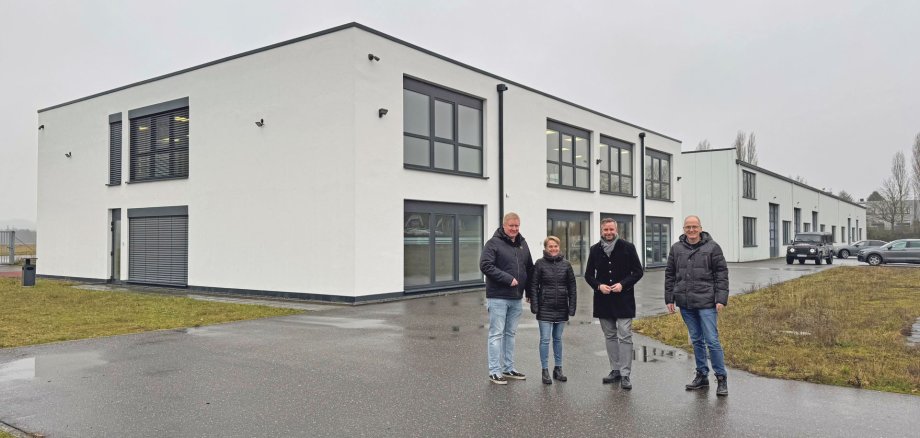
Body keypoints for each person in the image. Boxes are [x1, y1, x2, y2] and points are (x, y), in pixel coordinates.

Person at [665, 215, 729, 396]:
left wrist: (720, 298)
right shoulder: (676, 248)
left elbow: (721, 274)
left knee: (712, 340)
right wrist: (669, 298)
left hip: (707, 302)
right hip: (686, 302)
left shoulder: (713, 248)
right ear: (684, 229)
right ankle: (702, 375)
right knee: (696, 340)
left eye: (694, 227)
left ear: (700, 228)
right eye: (688, 227)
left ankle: (721, 378)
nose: (691, 230)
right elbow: (670, 274)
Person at [584, 218, 644, 390]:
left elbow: (638, 271)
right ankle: (615, 370)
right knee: (610, 336)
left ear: (616, 230)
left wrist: (623, 284)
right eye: (605, 230)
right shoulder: (594, 250)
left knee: (625, 335)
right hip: (603, 300)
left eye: (611, 229)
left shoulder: (628, 247)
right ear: (601, 230)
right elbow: (588, 275)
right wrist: (598, 286)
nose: (608, 232)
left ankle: (625, 374)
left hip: (623, 299)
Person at [480, 212, 534, 385]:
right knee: (496, 334)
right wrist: (507, 278)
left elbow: (529, 269)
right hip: (498, 298)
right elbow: (485, 265)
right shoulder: (493, 243)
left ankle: (508, 368)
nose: (514, 229)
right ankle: (494, 371)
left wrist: (529, 292)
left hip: (516, 298)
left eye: (517, 226)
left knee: (510, 334)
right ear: (504, 225)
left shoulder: (522, 244)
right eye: (511, 225)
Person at [527, 236, 577, 385]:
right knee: (545, 340)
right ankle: (545, 370)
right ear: (545, 248)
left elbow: (572, 288)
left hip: (561, 307)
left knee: (558, 339)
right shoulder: (539, 264)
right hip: (545, 307)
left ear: (559, 247)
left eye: (555, 246)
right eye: (550, 246)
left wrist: (572, 307)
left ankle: (558, 369)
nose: (553, 249)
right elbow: (533, 286)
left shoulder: (566, 265)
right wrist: (535, 306)